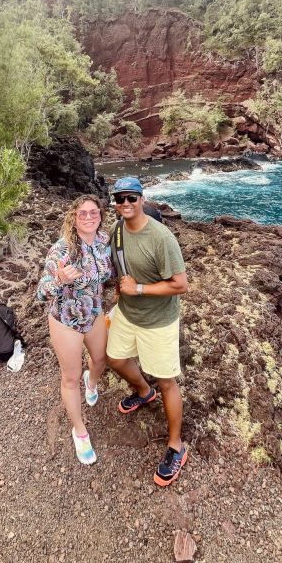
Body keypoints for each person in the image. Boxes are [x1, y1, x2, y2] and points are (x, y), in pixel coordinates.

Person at [106, 176, 188, 486]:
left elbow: (181, 285)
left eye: (131, 198)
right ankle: (143, 392)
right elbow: (114, 268)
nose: (125, 204)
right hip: (127, 313)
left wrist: (139, 288)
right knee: (114, 358)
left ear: (142, 200)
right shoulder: (116, 232)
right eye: (119, 199)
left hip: (158, 321)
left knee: (167, 381)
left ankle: (175, 447)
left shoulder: (161, 237)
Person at [36, 194, 113, 465]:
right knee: (70, 377)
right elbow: (41, 292)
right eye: (83, 213)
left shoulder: (105, 243)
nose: (89, 217)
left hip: (94, 314)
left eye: (94, 212)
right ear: (74, 218)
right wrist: (59, 279)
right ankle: (79, 431)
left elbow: (109, 276)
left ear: (101, 216)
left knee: (100, 359)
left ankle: (91, 384)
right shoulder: (62, 249)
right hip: (65, 319)